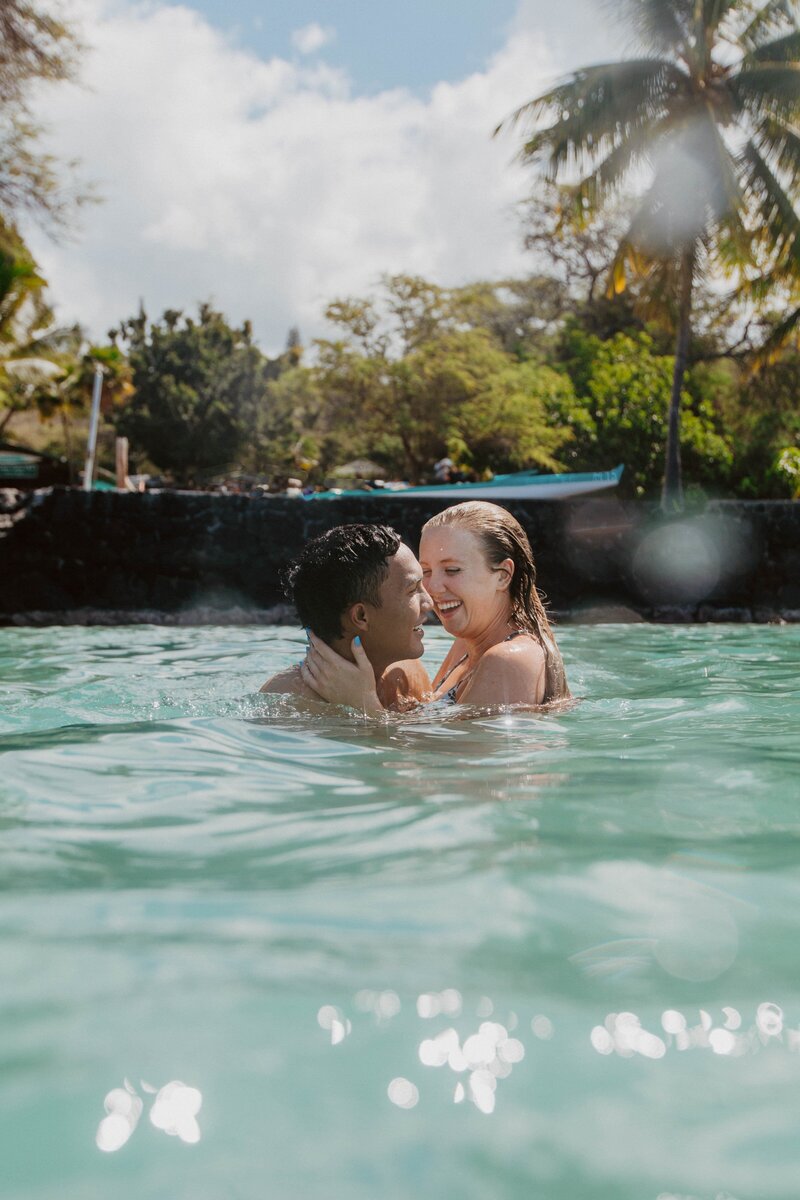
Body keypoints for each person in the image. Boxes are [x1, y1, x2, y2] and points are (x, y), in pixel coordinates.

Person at [302, 501, 570, 712]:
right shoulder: (467, 644)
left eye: (452, 570)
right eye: (426, 571)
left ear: (503, 575)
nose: (432, 588)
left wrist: (362, 704)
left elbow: (453, 768)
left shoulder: (509, 659)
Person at [260, 523, 433, 709]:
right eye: (413, 590)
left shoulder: (406, 673)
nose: (429, 602)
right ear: (361, 616)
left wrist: (365, 704)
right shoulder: (289, 702)